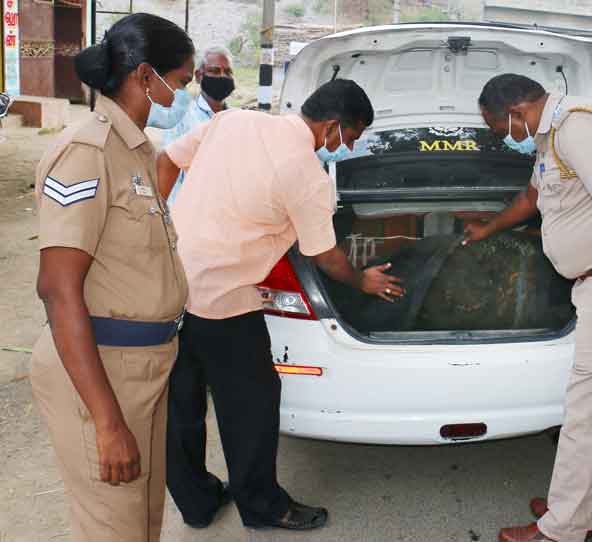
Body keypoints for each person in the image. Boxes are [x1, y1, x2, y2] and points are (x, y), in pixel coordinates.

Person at [158, 79, 405, 531]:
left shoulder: (231, 121)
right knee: (251, 407)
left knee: (181, 404)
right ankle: (263, 507)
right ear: (332, 126)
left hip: (169, 286)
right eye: (350, 138)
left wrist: (157, 225)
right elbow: (324, 256)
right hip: (225, 303)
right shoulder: (307, 177)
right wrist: (362, 281)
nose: (347, 147)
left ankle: (196, 503)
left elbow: (166, 160)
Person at [470, 74, 592, 542]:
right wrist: (487, 229)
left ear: (518, 112)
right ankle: (574, 508)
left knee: (586, 409)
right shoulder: (551, 137)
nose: (505, 139)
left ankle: (562, 529)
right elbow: (532, 198)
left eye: (501, 130)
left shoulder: (578, 127)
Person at [30, 13, 193, 542]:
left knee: (140, 524)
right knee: (112, 531)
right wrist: (107, 421)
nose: (183, 95)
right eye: (182, 82)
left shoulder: (136, 152)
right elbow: (57, 288)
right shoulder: (87, 153)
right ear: (146, 77)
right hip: (102, 372)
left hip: (145, 367)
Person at [160, 45, 235, 207]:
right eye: (215, 71)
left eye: (228, 72)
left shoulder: (236, 120)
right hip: (190, 210)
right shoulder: (182, 117)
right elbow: (169, 166)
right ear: (199, 75)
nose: (223, 76)